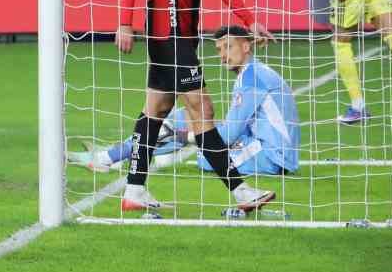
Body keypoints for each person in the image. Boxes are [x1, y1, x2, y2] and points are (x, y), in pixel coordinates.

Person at [114, 0, 275, 214]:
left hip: (186, 35)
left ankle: (134, 191)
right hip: (165, 32)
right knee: (202, 108)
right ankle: (241, 191)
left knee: (157, 108)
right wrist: (124, 23)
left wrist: (249, 20)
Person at [70, 27, 299, 180]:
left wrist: (185, 137)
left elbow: (229, 135)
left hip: (271, 156)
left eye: (229, 47)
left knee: (206, 157)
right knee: (184, 117)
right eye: (219, 49)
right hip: (258, 143)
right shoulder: (254, 72)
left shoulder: (252, 78)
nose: (222, 55)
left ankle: (113, 157)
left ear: (246, 47)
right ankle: (114, 156)